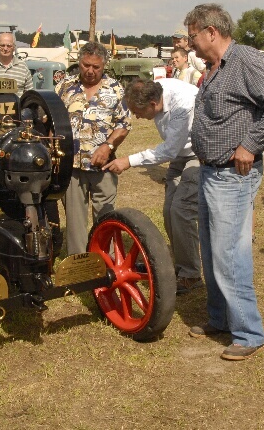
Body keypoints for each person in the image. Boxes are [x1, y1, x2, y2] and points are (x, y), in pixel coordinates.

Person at [184, 3, 264, 361]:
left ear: (211, 32)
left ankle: (249, 333)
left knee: (229, 253)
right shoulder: (214, 68)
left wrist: (251, 144)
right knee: (212, 248)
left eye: (193, 36)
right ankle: (220, 318)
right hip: (211, 172)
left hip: (232, 174)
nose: (190, 43)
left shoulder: (244, 59)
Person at [103, 78, 202, 294]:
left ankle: (191, 275)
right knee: (169, 211)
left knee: (181, 210)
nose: (137, 117)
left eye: (138, 112)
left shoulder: (183, 104)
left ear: (153, 103)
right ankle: (182, 267)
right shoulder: (155, 88)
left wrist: (129, 161)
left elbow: (169, 150)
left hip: (198, 154)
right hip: (180, 153)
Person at [55, 41, 131, 256]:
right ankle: (79, 263)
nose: (90, 71)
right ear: (79, 62)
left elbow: (124, 124)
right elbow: (51, 119)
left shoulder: (116, 89)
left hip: (103, 166)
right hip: (71, 166)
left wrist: (108, 146)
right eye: (86, 65)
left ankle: (105, 260)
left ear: (104, 65)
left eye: (96, 67)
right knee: (74, 219)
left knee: (105, 217)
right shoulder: (64, 87)